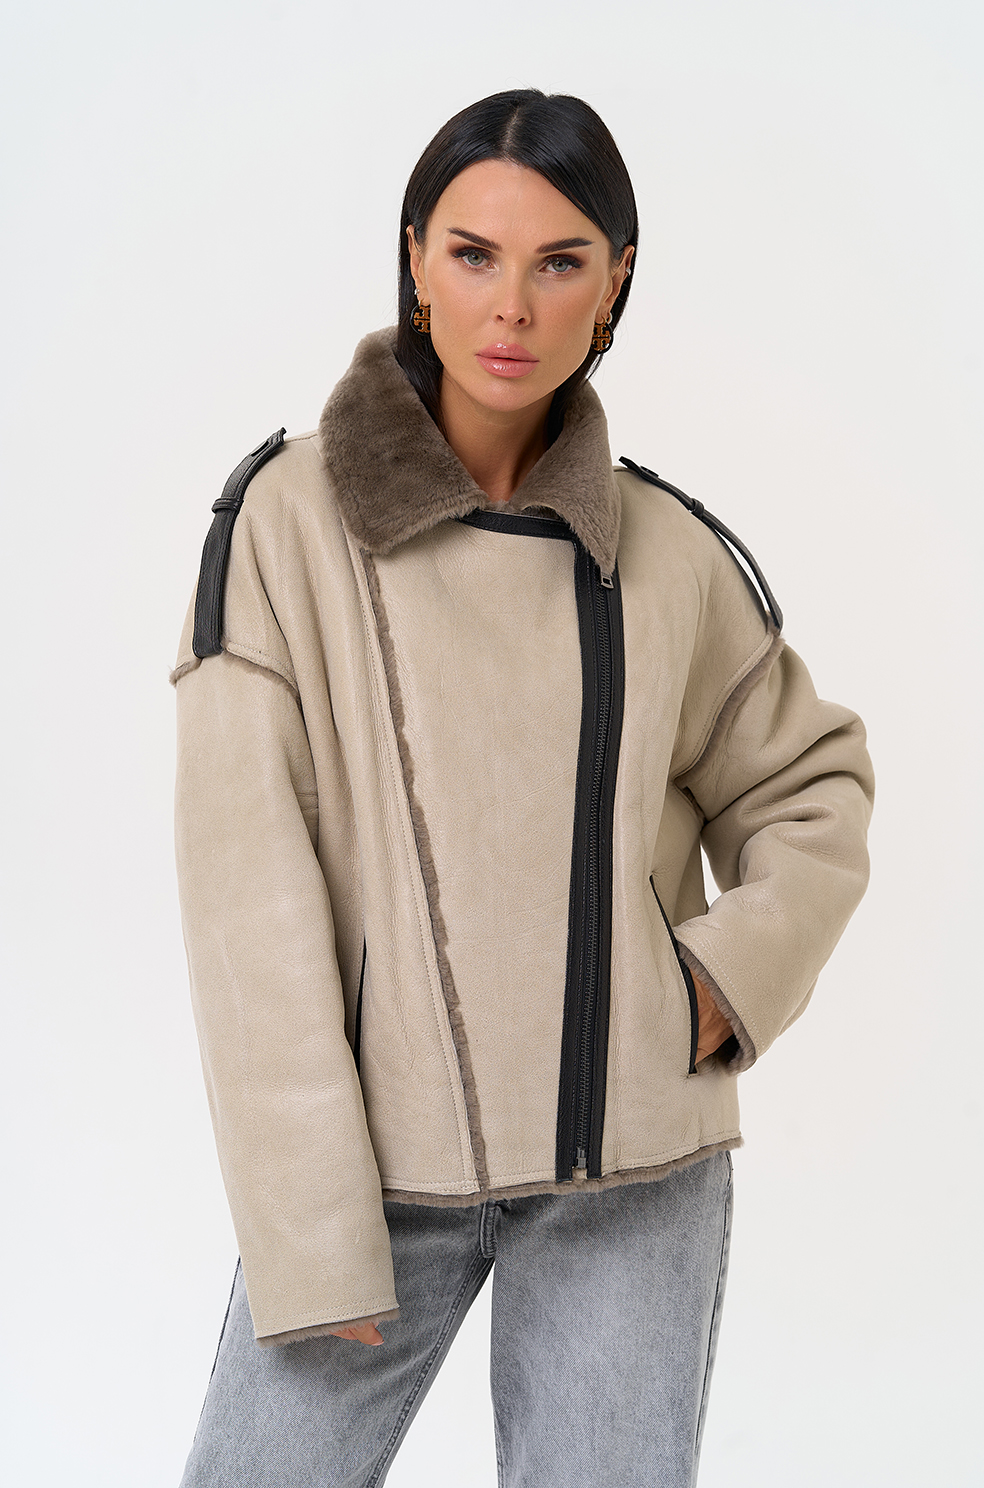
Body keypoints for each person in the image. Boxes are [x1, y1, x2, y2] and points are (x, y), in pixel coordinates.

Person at [172, 89, 873, 1487]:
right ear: (415, 263)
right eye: (474, 254)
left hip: (634, 1179)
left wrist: (714, 986)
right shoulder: (288, 527)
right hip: (373, 1176)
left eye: (560, 262)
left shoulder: (668, 553)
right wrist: (310, 1225)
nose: (512, 306)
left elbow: (812, 786)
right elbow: (247, 898)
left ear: (614, 283)